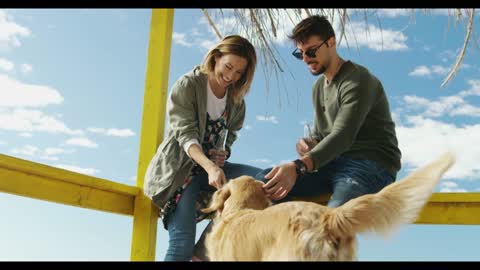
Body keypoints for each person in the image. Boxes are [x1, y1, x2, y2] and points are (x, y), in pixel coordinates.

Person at [256, 15, 402, 208]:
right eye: (300, 54)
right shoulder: (318, 87)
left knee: (333, 221)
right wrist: (309, 144)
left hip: (370, 165)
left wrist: (298, 166)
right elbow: (321, 136)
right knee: (262, 182)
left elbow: (342, 136)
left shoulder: (357, 80)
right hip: (331, 164)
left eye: (311, 51)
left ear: (331, 42)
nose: (306, 59)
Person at [143, 35, 262, 261]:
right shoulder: (188, 85)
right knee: (181, 245)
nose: (230, 76)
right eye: (228, 67)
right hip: (181, 173)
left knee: (259, 181)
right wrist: (209, 166)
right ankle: (192, 252)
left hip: (212, 171)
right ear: (215, 57)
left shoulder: (236, 100)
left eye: (239, 73)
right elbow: (184, 134)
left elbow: (231, 135)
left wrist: (224, 152)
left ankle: (204, 251)